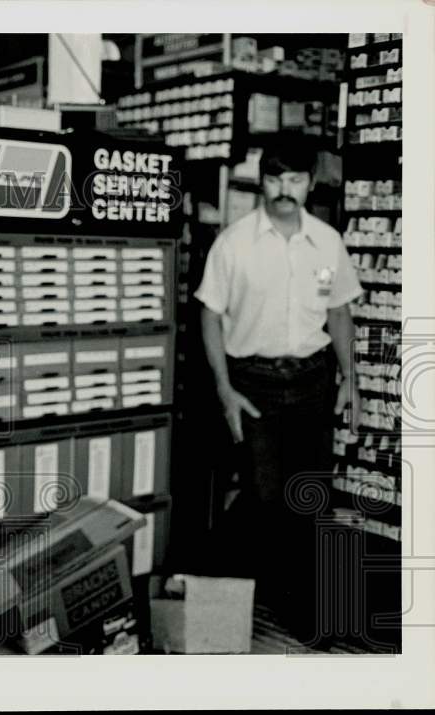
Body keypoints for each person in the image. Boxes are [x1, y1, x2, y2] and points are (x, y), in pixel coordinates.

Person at [195, 132, 363, 644]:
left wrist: (350, 382)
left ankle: (303, 614)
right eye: (274, 178)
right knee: (265, 501)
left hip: (312, 381)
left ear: (311, 184)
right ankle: (235, 599)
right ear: (262, 181)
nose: (284, 189)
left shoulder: (328, 242)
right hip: (255, 385)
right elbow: (210, 315)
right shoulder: (234, 243)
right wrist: (225, 391)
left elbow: (338, 313)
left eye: (294, 179)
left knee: (308, 499)